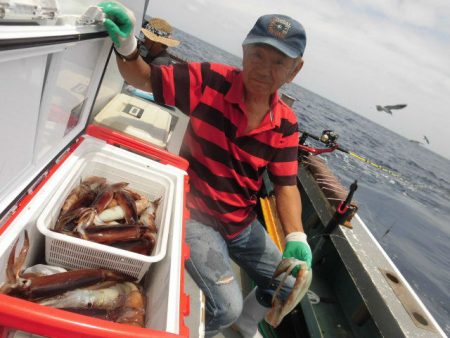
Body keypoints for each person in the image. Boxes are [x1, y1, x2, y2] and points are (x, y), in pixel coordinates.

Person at [98, 2, 312, 337]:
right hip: (194, 215)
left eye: (279, 62)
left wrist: (297, 236)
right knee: (225, 307)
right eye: (258, 55)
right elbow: (141, 75)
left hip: (241, 223)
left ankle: (246, 324)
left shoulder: (286, 123)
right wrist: (126, 48)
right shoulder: (209, 80)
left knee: (289, 282)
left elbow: (285, 185)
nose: (264, 69)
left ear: (294, 71)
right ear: (244, 51)